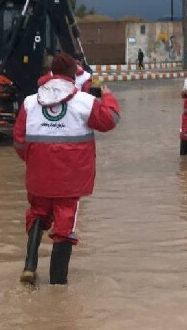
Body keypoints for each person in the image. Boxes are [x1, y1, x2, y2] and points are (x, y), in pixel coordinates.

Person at [13, 52, 120, 285]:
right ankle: (57, 286)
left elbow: (19, 141)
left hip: (39, 176)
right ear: (74, 74)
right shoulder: (84, 102)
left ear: (51, 73)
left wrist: (35, 162)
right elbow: (110, 120)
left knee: (37, 214)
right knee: (64, 225)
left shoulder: (30, 103)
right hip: (70, 181)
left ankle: (29, 267)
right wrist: (108, 95)